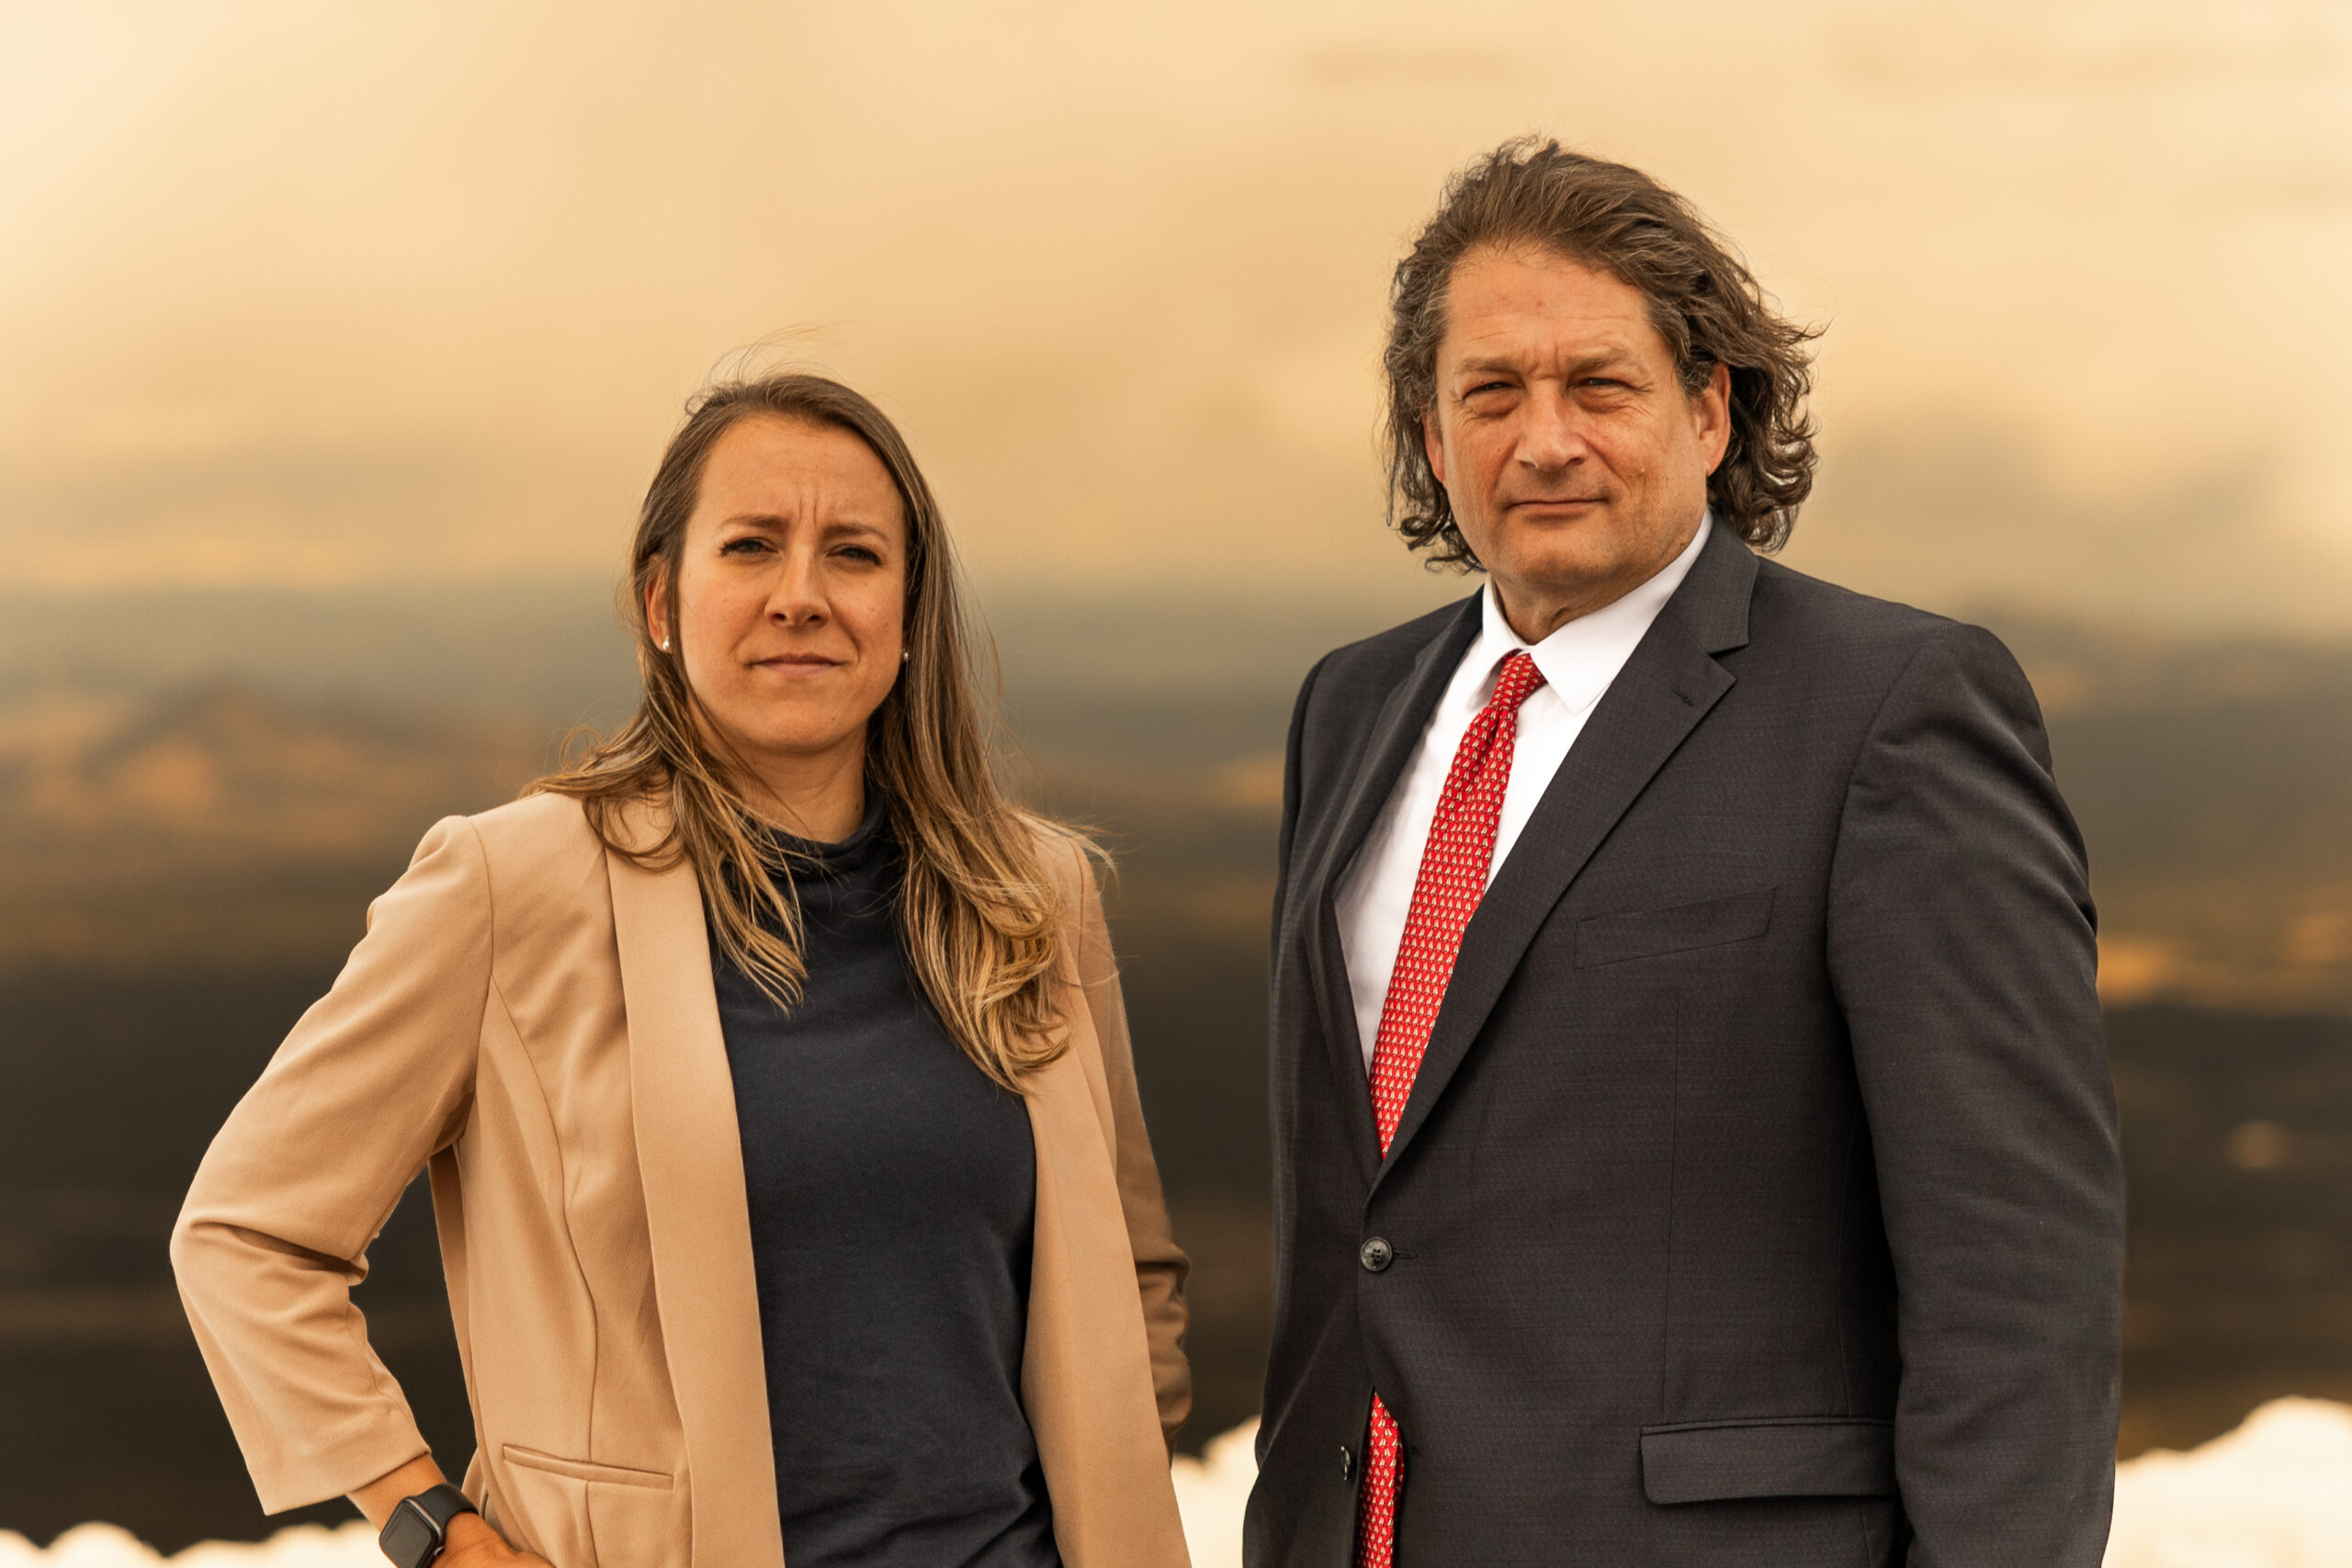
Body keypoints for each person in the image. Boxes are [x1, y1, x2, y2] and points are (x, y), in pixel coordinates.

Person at [1247, 140, 2121, 1566]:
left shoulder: (1892, 711)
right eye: (1491, 393)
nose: (1545, 439)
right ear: (1431, 436)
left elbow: (2017, 1273)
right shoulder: (1348, 710)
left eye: (1600, 386)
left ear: (1711, 411)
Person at [172, 374, 1193, 1568]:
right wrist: (432, 1530)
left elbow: (1130, 1273)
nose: (802, 595)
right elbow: (247, 1234)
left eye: (854, 554)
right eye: (751, 546)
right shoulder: (511, 888)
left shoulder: (1034, 896)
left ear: (910, 610)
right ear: (660, 599)